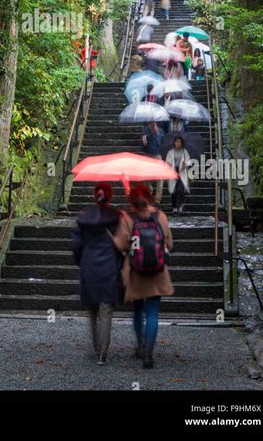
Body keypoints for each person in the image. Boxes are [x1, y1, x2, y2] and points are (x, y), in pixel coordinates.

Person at [113, 185, 174, 368]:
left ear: (132, 199)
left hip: (136, 271)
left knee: (138, 310)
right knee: (153, 312)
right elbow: (169, 244)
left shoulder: (127, 217)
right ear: (150, 196)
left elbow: (121, 245)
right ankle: (149, 352)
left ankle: (140, 346)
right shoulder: (161, 216)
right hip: (157, 271)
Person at [71, 183, 123, 365]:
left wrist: (80, 261)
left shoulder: (85, 217)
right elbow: (123, 243)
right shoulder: (116, 217)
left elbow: (76, 244)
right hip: (109, 266)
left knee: (92, 310)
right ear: (110, 196)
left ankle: (95, 347)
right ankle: (103, 353)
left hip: (89, 266)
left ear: (95, 196)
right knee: (106, 310)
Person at [165, 136, 192, 213]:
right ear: (174, 142)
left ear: (182, 143)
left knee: (180, 189)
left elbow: (189, 161)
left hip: (181, 171)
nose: (178, 143)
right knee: (173, 191)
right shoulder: (170, 152)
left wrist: (185, 164)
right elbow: (167, 161)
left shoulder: (184, 151)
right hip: (173, 171)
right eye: (176, 141)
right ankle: (174, 209)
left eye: (179, 142)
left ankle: (183, 203)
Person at [141, 121, 164, 203]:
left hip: (157, 154)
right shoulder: (145, 130)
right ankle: (149, 192)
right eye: (151, 123)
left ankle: (158, 197)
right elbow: (144, 143)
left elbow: (162, 141)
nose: (152, 124)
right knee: (145, 176)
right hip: (148, 154)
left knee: (160, 177)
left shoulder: (161, 130)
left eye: (154, 122)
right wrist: (150, 135)